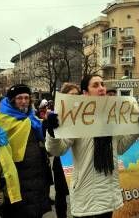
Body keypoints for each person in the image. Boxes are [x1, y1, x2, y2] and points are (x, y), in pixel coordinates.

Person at [46, 75, 139, 217]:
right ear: (85, 93)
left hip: (108, 194)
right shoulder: (77, 118)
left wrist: (137, 128)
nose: (101, 89)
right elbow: (57, 150)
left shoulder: (112, 117)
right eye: (95, 85)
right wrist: (52, 132)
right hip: (87, 196)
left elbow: (120, 148)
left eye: (102, 84)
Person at [0, 84, 52, 218]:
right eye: (19, 98)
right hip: (16, 176)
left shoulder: (32, 118)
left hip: (37, 176)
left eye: (26, 98)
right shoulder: (0, 119)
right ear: (12, 100)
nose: (24, 101)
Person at [50, 82, 80, 218]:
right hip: (61, 159)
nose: (74, 97)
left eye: (77, 95)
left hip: (77, 159)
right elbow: (52, 143)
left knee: (76, 192)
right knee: (61, 193)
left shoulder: (83, 114)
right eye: (71, 95)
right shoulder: (57, 115)